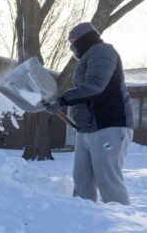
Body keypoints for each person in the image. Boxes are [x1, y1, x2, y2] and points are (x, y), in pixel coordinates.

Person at [45, 22, 134, 205]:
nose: (71, 46)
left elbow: (95, 86)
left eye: (73, 41)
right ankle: (84, 219)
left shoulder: (102, 52)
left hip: (108, 126)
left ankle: (121, 223)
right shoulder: (88, 57)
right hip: (87, 128)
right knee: (82, 181)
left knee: (108, 180)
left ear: (85, 38)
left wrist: (62, 101)